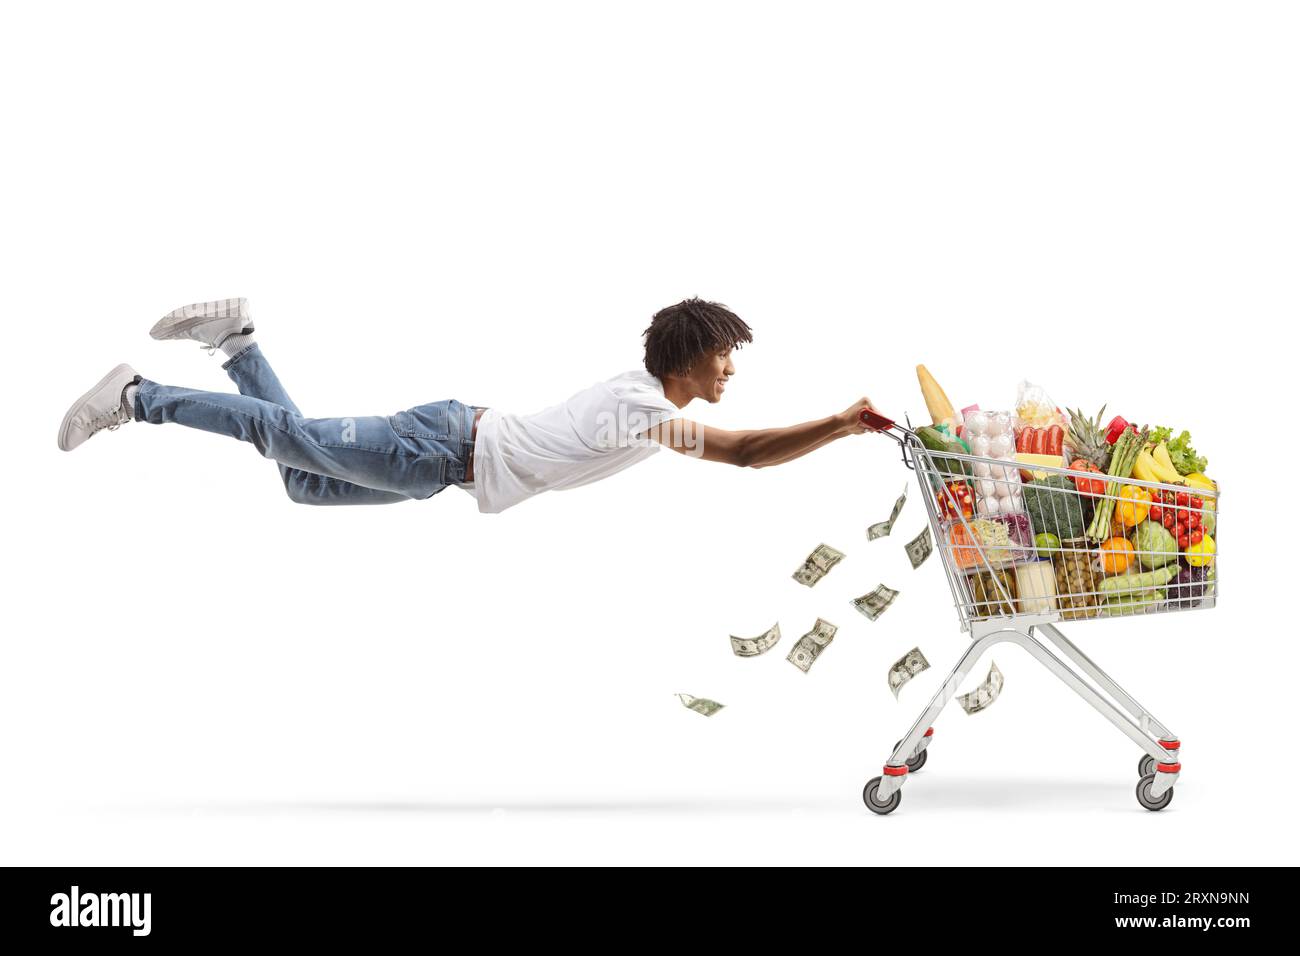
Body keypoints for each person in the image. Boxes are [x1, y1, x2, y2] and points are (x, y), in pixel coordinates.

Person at [57, 297, 880, 513]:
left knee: (302, 477)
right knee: (290, 436)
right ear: (688, 356)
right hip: (439, 444)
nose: (731, 366)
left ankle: (237, 342)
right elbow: (738, 453)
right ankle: (138, 396)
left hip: (443, 470)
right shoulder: (639, 406)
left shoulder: (643, 403)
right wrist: (840, 424)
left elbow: (733, 448)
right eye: (723, 352)